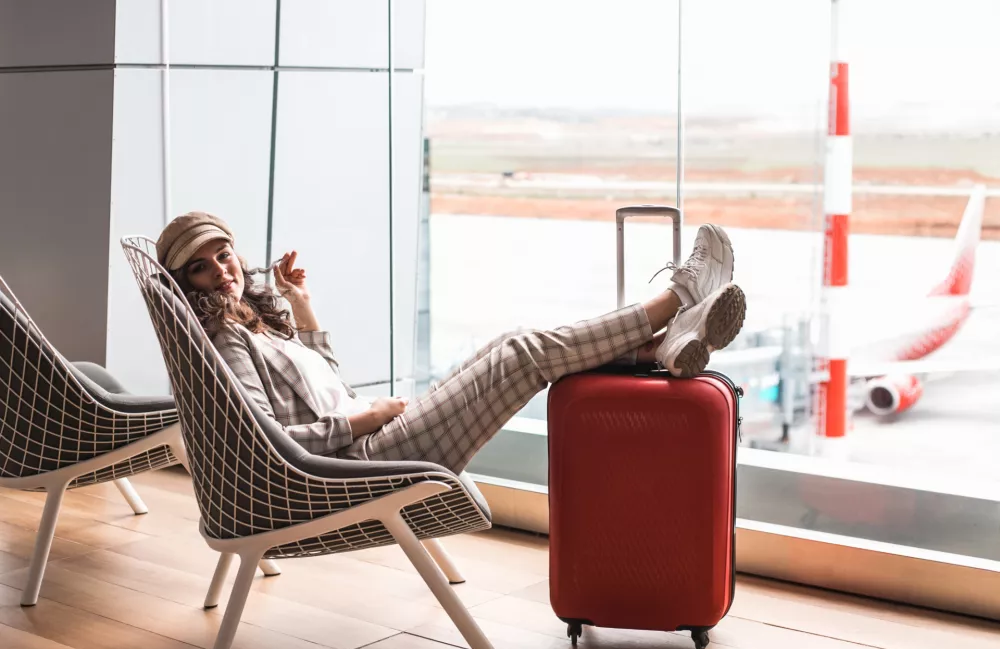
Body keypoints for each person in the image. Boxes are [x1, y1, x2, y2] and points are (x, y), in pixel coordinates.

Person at [156, 211, 746, 473]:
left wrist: (304, 311)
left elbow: (329, 387)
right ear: (187, 285)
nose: (221, 270)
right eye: (202, 269)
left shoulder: (252, 319)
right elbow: (270, 439)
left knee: (512, 340)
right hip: (356, 462)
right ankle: (680, 296)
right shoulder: (225, 344)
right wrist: (368, 421)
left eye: (223, 254)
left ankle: (659, 348)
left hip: (371, 434)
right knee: (520, 354)